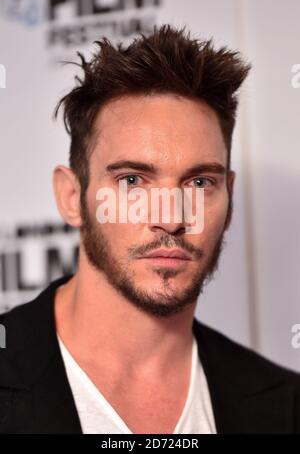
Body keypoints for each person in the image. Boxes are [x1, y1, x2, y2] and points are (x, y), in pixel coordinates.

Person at [1, 24, 300, 434]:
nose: (172, 218)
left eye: (199, 183)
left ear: (229, 199)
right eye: (132, 181)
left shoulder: (286, 406)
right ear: (72, 197)